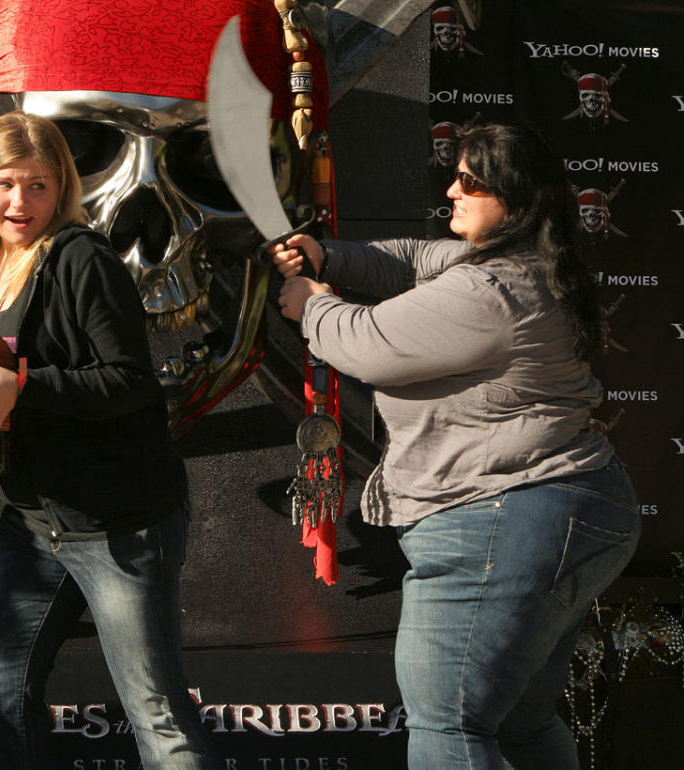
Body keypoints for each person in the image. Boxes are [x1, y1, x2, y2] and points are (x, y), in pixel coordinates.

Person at [272, 122, 640, 769]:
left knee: (449, 726)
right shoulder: (517, 263)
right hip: (565, 512)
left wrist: (312, 302)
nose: (452, 190)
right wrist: (330, 256)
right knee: (522, 724)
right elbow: (414, 261)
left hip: (503, 520)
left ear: (516, 201)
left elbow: (368, 344)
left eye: (470, 181)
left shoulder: (492, 291)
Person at [0, 109, 217, 769]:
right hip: (31, 518)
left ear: (61, 188)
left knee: (159, 717)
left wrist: (21, 385)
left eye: (36, 185)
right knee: (2, 694)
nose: (18, 202)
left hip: (119, 521)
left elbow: (129, 381)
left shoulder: (82, 258)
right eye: (4, 184)